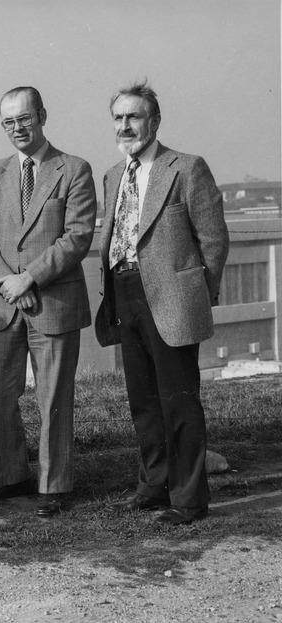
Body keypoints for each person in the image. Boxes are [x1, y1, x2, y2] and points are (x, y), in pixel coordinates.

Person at [95, 81, 228, 525]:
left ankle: (188, 500)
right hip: (125, 293)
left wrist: (199, 293)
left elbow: (213, 239)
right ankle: (154, 485)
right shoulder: (114, 174)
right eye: (119, 117)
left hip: (171, 299)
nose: (126, 125)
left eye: (134, 116)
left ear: (154, 121)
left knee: (179, 401)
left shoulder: (186, 168)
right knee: (143, 401)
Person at [0, 86, 96, 517]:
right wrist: (6, 280)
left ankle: (53, 485)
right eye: (8, 122)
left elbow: (78, 236)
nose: (17, 128)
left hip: (52, 303)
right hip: (3, 305)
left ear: (42, 115)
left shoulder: (74, 169)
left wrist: (30, 278)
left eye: (24, 119)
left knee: (53, 398)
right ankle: (10, 477)